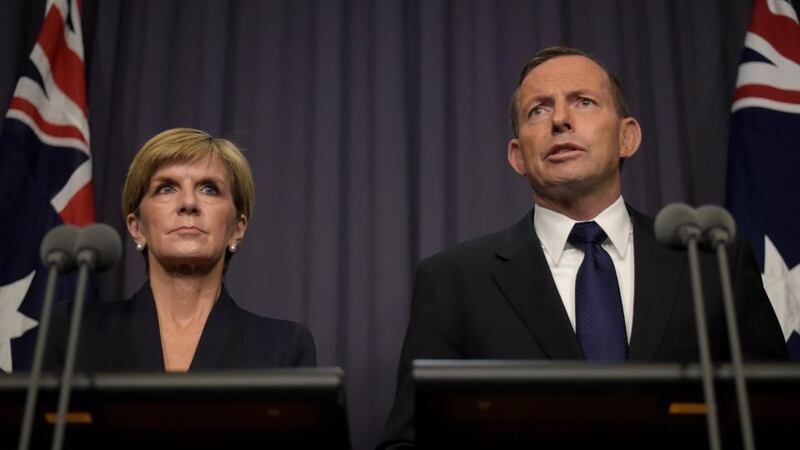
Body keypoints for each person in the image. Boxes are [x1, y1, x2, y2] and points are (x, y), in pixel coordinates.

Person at [378, 47, 787, 449]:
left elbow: (778, 419)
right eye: (538, 110)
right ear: (518, 155)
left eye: (584, 102)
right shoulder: (454, 281)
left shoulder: (710, 263)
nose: (559, 120)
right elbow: (408, 441)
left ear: (627, 136)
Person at [45, 128, 315, 371]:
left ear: (237, 228)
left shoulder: (284, 348)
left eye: (209, 189)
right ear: (136, 226)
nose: (188, 202)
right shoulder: (75, 333)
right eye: (166, 188)